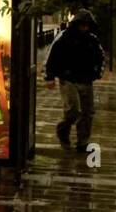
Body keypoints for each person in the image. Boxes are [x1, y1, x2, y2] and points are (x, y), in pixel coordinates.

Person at [44, 9, 105, 152]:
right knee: (73, 110)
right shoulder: (64, 37)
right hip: (68, 79)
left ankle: (82, 142)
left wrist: (97, 73)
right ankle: (63, 130)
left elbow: (100, 57)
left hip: (86, 80)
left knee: (87, 112)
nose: (85, 28)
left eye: (87, 25)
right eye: (82, 25)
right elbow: (52, 56)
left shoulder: (92, 40)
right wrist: (49, 77)